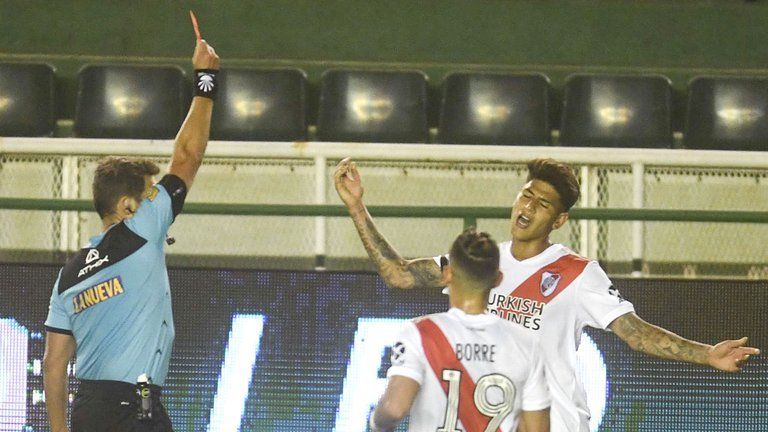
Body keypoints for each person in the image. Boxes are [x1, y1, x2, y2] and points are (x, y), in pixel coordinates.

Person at [334, 157, 760, 432]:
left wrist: (706, 354)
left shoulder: (578, 273)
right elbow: (401, 276)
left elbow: (635, 334)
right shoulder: (481, 260)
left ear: (559, 220)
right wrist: (356, 207)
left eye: (542, 204)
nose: (528, 207)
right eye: (526, 195)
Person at [43, 38, 219, 432]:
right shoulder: (140, 229)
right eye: (149, 194)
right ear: (127, 206)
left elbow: (54, 365)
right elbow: (187, 157)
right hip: (133, 409)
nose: (156, 199)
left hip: (88, 411)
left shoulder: (68, 275)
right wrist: (205, 80)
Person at [370, 228, 550, 432]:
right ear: (498, 279)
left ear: (447, 274)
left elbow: (394, 408)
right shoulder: (525, 342)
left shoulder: (420, 333)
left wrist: (376, 422)